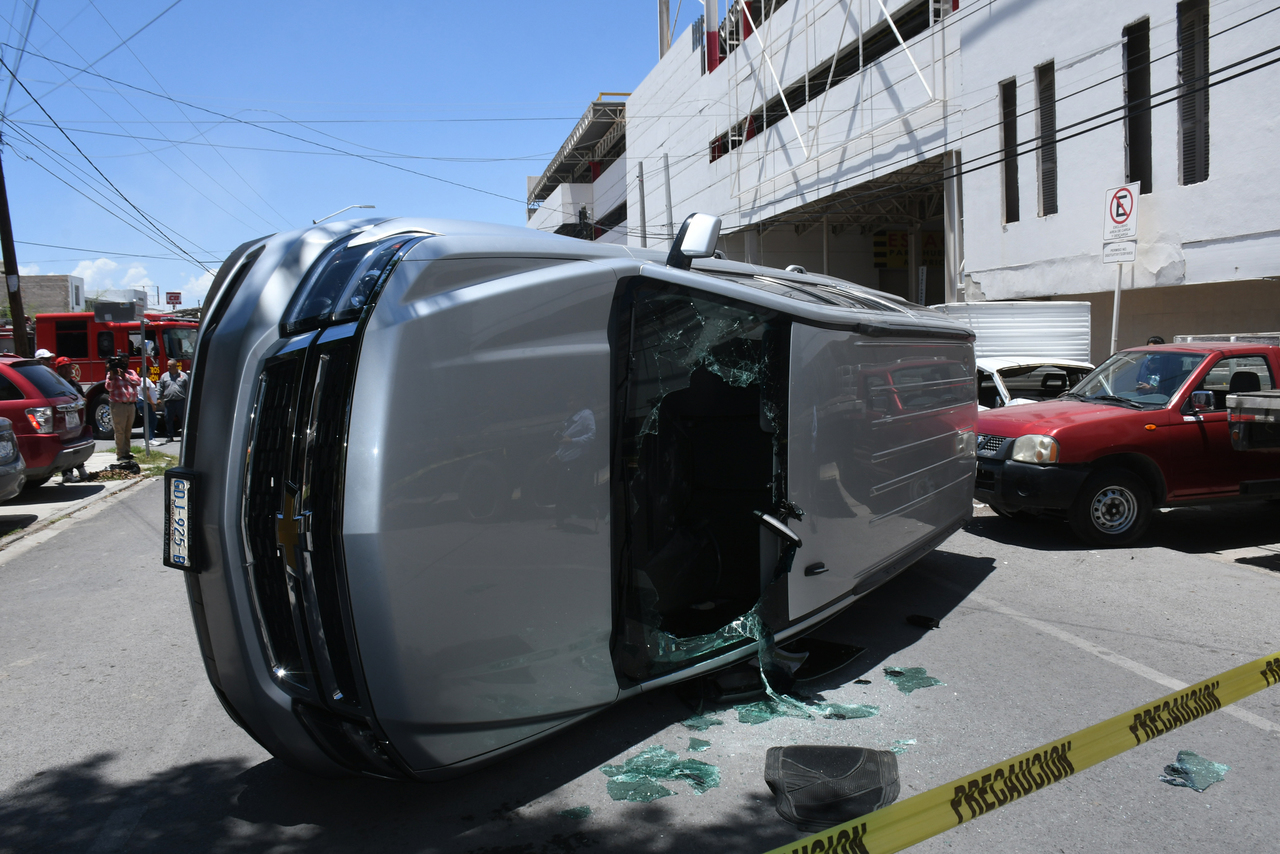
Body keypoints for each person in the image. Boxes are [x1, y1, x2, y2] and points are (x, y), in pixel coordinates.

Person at [551, 396, 596, 528]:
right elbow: (565, 441)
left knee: (568, 492)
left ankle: (593, 512)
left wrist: (572, 441)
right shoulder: (572, 416)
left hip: (577, 459)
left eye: (572, 400)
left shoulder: (586, 415)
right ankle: (559, 522)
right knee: (563, 491)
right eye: (568, 400)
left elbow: (591, 436)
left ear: (581, 400)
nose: (569, 403)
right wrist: (557, 455)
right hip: (567, 458)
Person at [53, 357, 89, 484]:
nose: (68, 370)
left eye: (69, 367)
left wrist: (82, 401)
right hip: (62, 419)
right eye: (65, 367)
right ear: (59, 369)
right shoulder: (56, 383)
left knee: (77, 443)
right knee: (67, 445)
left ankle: (81, 469)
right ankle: (67, 473)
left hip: (75, 420)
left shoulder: (75, 384)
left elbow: (83, 398)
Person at [104, 357, 141, 461]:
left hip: (131, 405)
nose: (124, 364)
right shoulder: (113, 374)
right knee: (120, 430)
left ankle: (127, 452)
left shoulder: (131, 372)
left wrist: (124, 376)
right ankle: (120, 454)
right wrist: (112, 374)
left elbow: (138, 382)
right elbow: (109, 387)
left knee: (128, 430)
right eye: (122, 362)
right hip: (118, 405)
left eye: (126, 361)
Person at [157, 359, 189, 442]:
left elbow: (188, 388)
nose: (168, 367)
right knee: (168, 419)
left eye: (170, 366)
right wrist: (158, 398)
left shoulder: (183, 376)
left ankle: (185, 435)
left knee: (183, 419)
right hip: (169, 401)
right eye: (168, 366)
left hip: (181, 401)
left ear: (175, 366)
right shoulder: (164, 376)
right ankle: (169, 435)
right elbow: (160, 388)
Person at [136, 373, 159, 442]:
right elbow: (146, 392)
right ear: (148, 371)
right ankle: (150, 439)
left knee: (150, 420)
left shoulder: (143, 379)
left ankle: (148, 439)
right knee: (151, 420)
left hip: (146, 402)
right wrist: (152, 404)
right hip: (145, 402)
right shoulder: (144, 379)